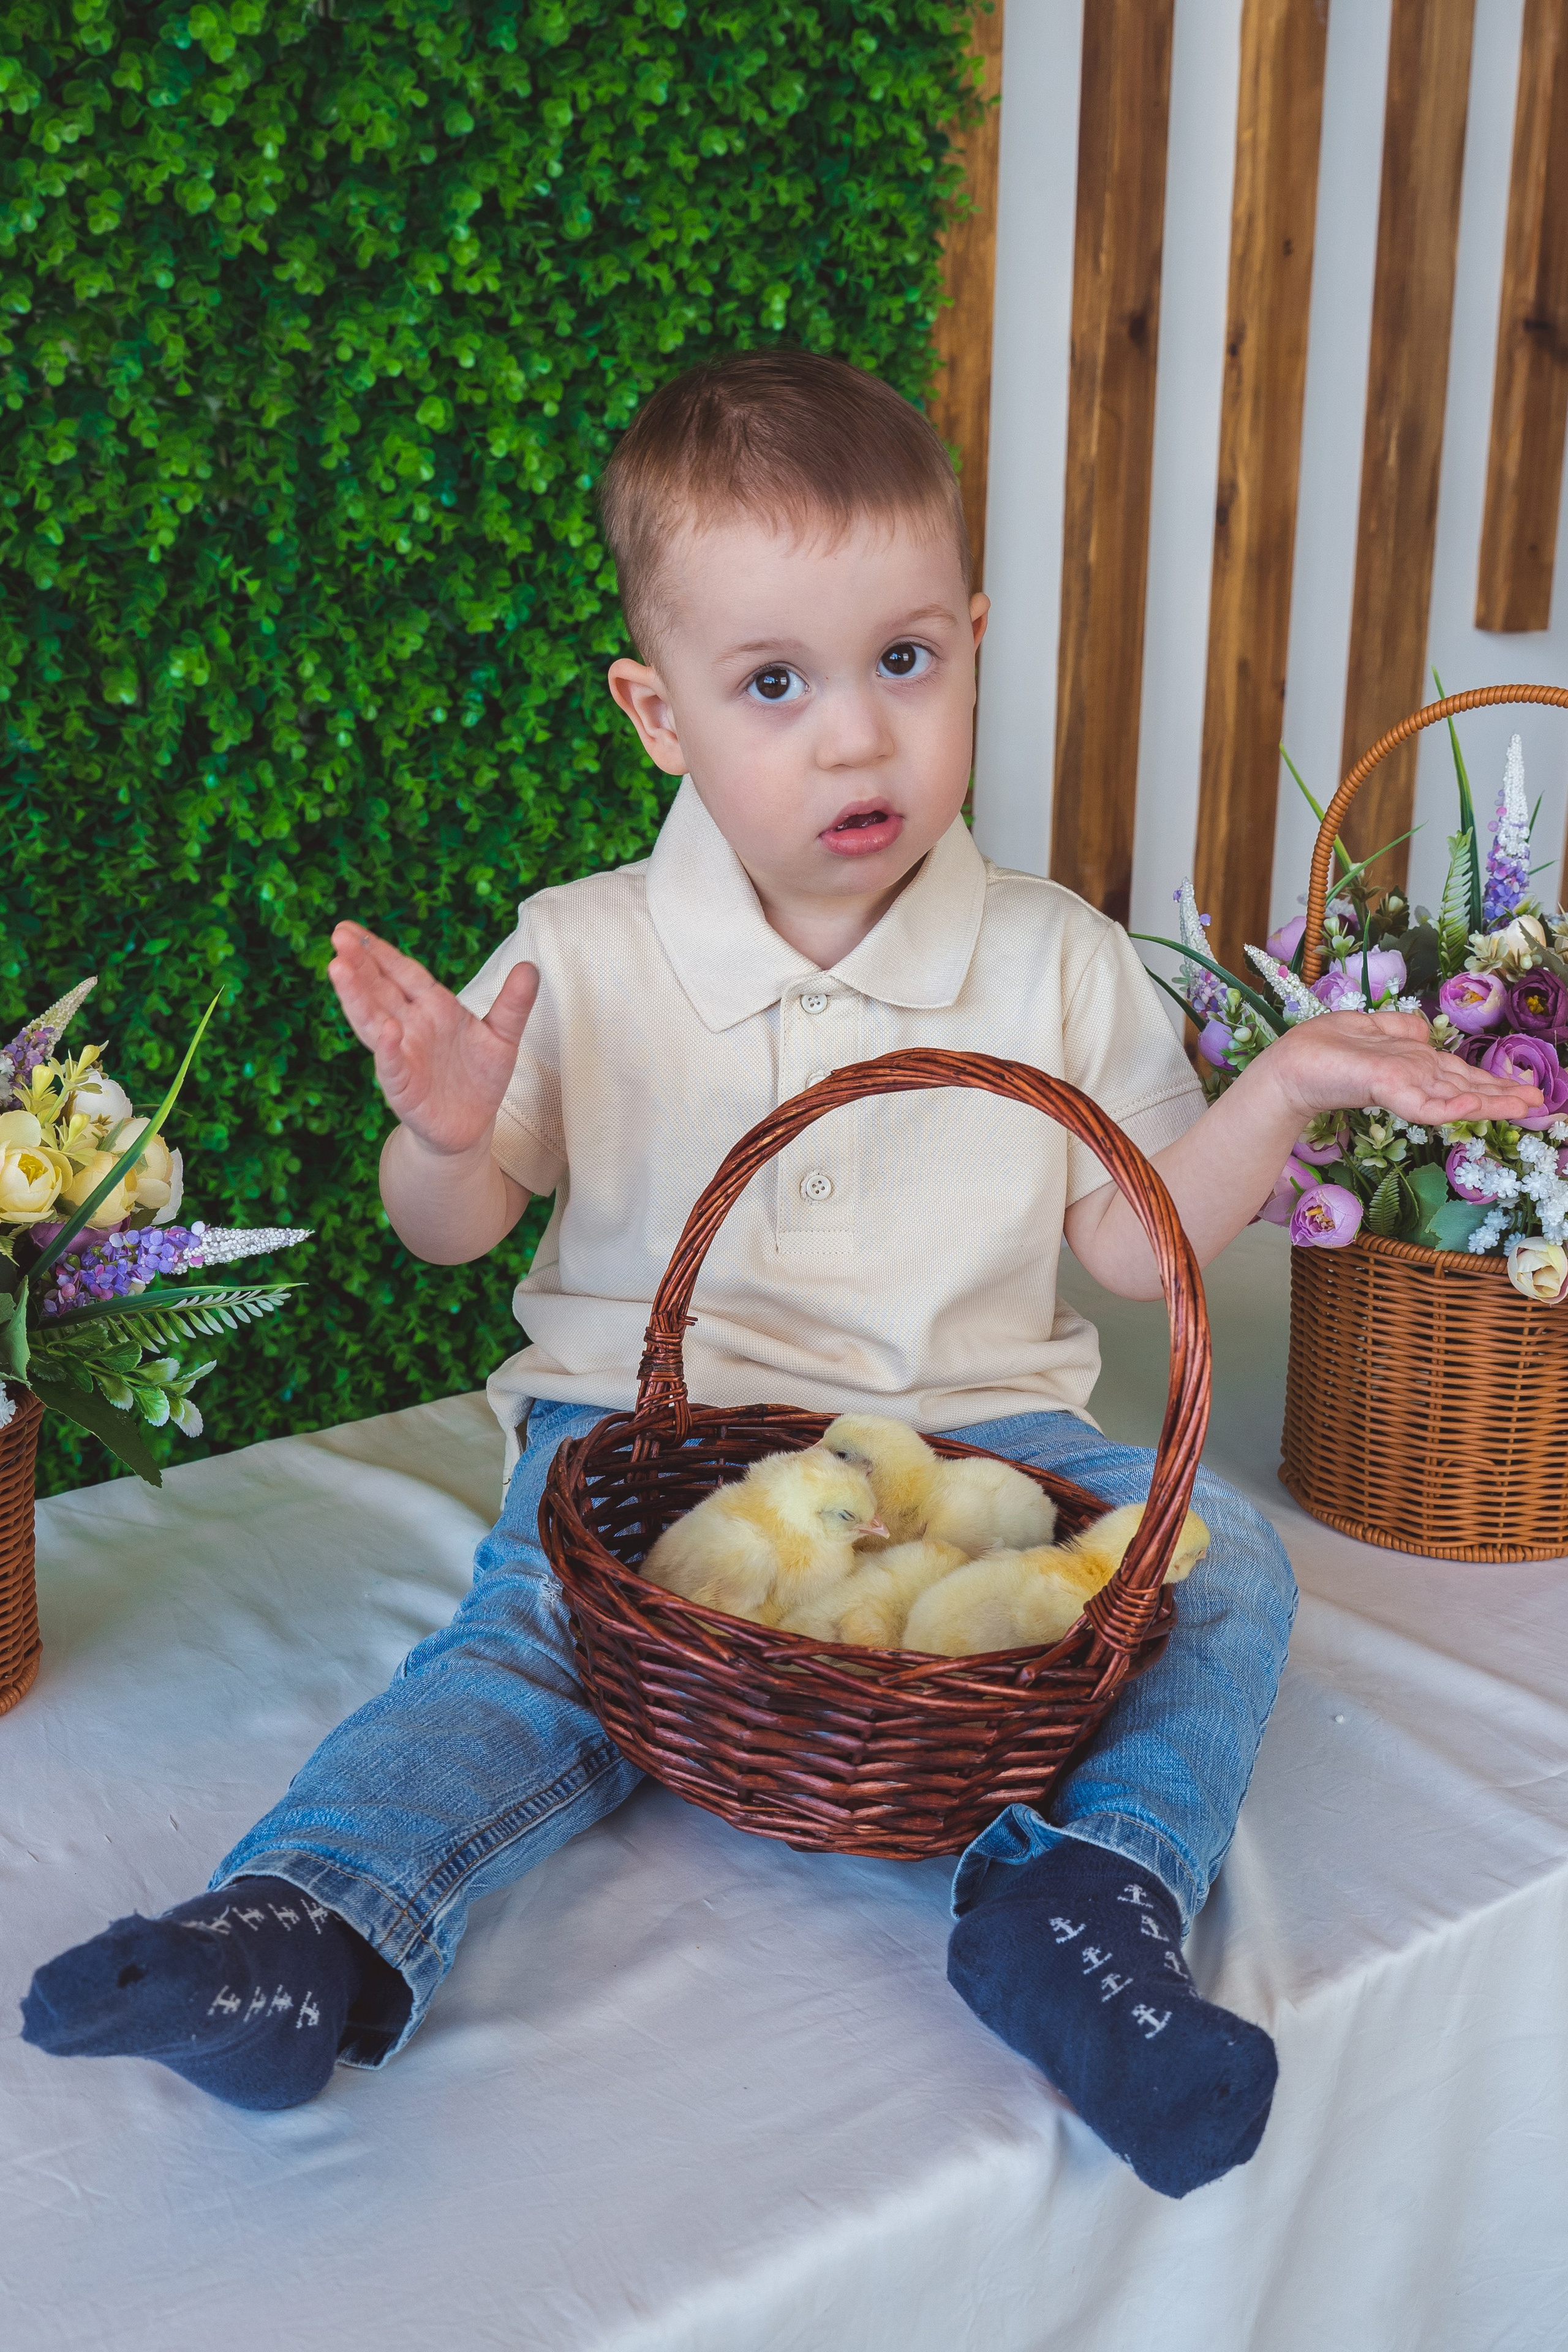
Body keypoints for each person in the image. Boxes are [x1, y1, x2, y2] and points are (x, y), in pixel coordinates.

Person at [20, 352, 1537, 2198]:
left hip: (980, 1451)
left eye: (905, 660)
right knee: (524, 1646)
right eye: (772, 686)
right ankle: (309, 1924)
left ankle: (1088, 1907)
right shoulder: (580, 951)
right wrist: (448, 1132)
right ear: (657, 714)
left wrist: (1281, 1089)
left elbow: (1131, 1245)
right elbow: (454, 1227)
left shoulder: (1058, 958)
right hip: (647, 1442)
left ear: (974, 640)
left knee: (1223, 1572)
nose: (856, 740)